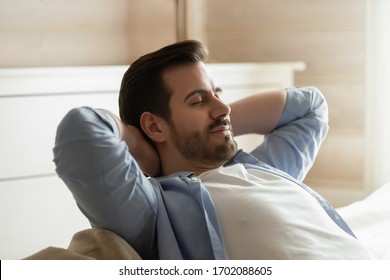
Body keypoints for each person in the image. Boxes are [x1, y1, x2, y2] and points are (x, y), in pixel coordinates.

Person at [53, 40, 373, 260]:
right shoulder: (155, 209)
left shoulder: (260, 167)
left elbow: (311, 107)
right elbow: (80, 132)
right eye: (198, 100)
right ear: (154, 126)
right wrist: (139, 145)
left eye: (217, 92)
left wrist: (217, 119)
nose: (222, 106)